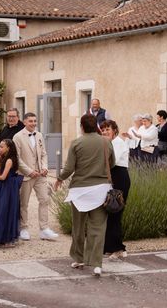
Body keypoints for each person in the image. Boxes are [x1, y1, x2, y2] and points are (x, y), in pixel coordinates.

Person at [54, 114, 114, 277]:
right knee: (98, 227)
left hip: (80, 190)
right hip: (101, 190)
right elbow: (112, 163)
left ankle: (79, 258)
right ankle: (96, 264)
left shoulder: (76, 143)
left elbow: (69, 168)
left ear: (82, 126)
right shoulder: (106, 142)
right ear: (96, 125)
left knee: (78, 226)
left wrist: (59, 179)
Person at [13, 112, 59, 241]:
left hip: (40, 175)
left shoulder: (39, 135)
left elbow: (43, 153)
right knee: (24, 203)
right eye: (30, 121)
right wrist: (28, 171)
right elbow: (17, 158)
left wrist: (44, 167)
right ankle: (24, 228)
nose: (33, 123)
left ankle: (44, 229)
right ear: (24, 122)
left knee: (44, 200)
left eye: (34, 121)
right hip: (26, 175)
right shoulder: (17, 137)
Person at [100, 120, 130, 261]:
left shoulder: (118, 143)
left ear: (114, 130)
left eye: (107, 129)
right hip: (110, 178)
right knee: (107, 212)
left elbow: (113, 161)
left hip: (119, 177)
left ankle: (118, 248)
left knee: (115, 212)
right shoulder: (107, 143)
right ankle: (108, 247)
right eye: (103, 130)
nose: (105, 132)